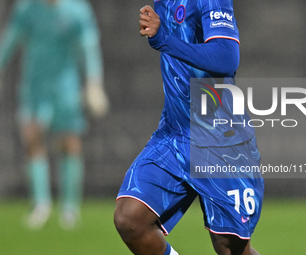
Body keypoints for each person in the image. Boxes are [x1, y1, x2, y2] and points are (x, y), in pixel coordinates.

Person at [114, 1, 263, 255]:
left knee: (230, 247)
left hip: (220, 140)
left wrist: (165, 40)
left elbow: (227, 57)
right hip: (174, 134)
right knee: (131, 219)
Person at [0, 0, 109, 229]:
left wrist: (93, 82)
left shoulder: (77, 11)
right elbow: (10, 41)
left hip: (65, 87)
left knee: (68, 142)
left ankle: (69, 207)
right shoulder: (27, 9)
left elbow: (88, 47)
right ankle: (41, 204)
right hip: (34, 85)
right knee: (32, 138)